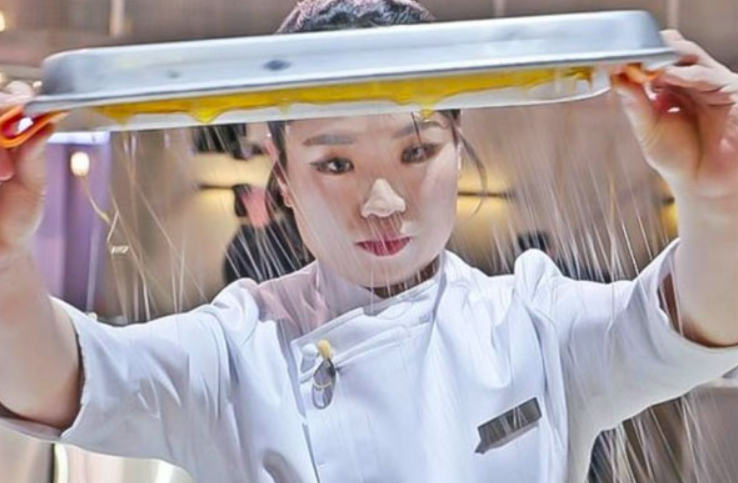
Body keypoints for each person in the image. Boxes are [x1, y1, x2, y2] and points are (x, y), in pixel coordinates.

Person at [1, 1, 737, 482]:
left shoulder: (532, 320)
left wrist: (718, 199)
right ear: (284, 179)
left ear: (458, 148)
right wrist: (4, 259)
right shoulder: (237, 350)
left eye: (417, 151)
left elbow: (692, 323)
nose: (383, 201)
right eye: (335, 163)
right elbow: (58, 377)